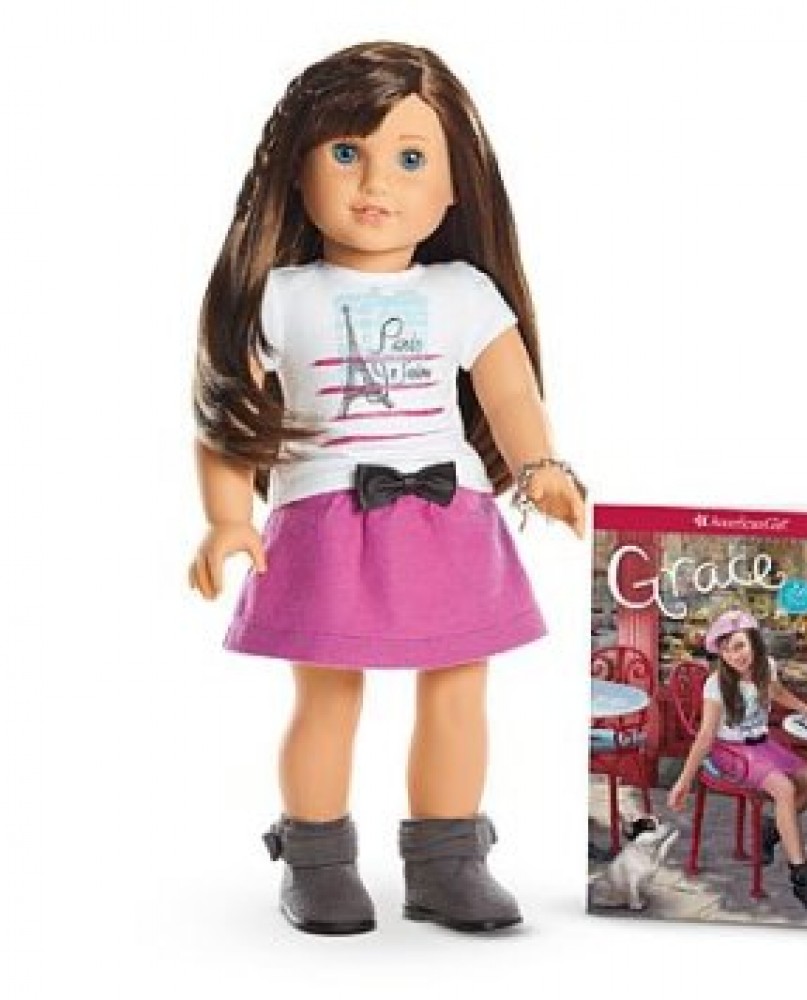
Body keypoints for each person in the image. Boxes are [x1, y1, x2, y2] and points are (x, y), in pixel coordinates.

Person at [188, 41, 584, 936]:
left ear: (456, 188)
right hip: (328, 517)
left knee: (458, 687)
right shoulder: (281, 295)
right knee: (329, 693)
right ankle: (318, 858)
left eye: (410, 158)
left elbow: (509, 394)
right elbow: (230, 413)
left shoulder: (463, 291)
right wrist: (226, 518)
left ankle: (448, 860)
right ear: (297, 170)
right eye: (346, 152)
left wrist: (540, 468)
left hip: (449, 511)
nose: (376, 183)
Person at [666, 610, 807, 915]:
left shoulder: (765, 666)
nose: (735, 655)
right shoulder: (716, 684)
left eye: (740, 645)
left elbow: (776, 691)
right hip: (730, 751)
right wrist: (684, 780)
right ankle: (803, 881)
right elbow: (705, 736)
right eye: (727, 649)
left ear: (754, 642)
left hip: (763, 745)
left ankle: (770, 831)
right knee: (784, 789)